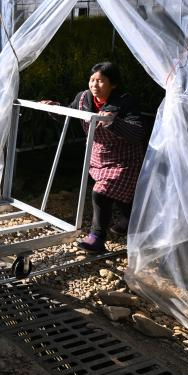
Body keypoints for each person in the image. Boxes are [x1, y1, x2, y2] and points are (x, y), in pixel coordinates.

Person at [42, 61, 147, 254]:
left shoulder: (125, 101)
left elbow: (138, 131)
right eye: (92, 80)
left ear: (113, 84)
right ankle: (130, 221)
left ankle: (97, 238)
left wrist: (113, 122)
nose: (94, 85)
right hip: (99, 157)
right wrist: (54, 108)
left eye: (100, 81)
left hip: (125, 161)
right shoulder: (83, 98)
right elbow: (70, 114)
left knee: (101, 192)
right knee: (117, 194)